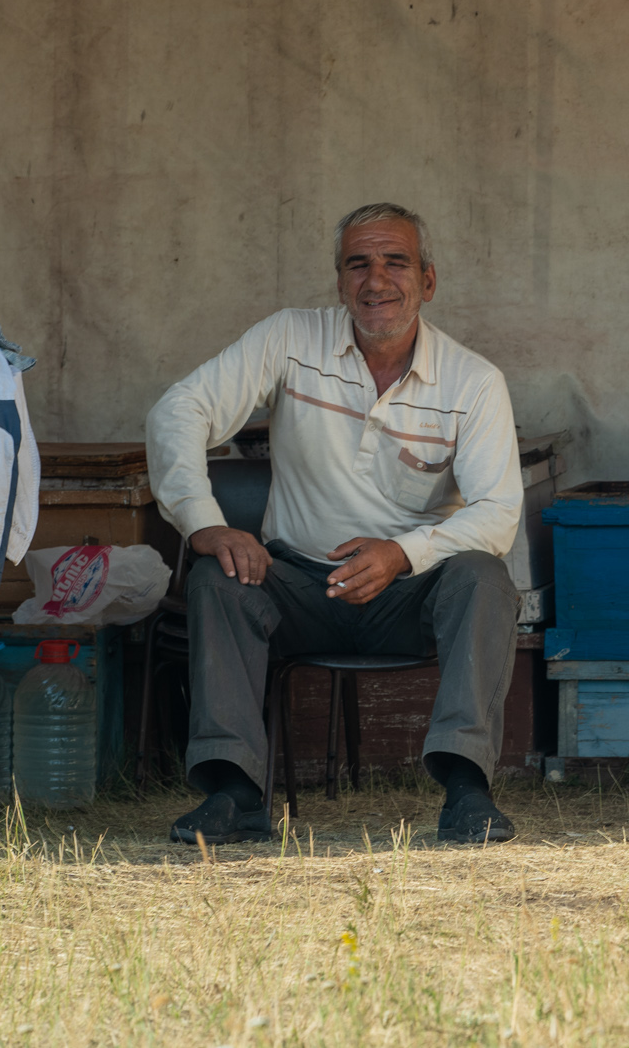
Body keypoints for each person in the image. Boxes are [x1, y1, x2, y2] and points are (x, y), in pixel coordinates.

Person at [146, 203, 524, 845]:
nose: (376, 281)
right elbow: (180, 410)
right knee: (218, 577)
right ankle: (235, 793)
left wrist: (401, 553)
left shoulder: (473, 382)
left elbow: (498, 514)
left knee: (484, 577)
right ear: (340, 281)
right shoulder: (291, 338)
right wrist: (204, 523)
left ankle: (467, 790)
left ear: (428, 281)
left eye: (395, 262)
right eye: (358, 264)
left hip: (410, 596)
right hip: (299, 586)